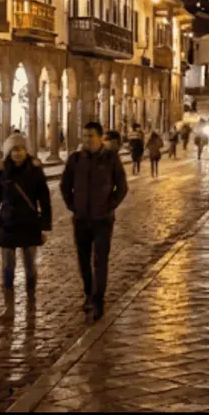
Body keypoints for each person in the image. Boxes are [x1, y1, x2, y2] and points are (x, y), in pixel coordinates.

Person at [61, 121, 129, 321]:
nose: (87, 140)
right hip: (81, 218)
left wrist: (109, 206)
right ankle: (88, 293)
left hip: (102, 220)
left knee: (100, 260)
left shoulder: (111, 159)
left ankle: (98, 300)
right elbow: (65, 185)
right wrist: (73, 206)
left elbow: (122, 187)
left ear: (100, 138)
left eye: (91, 136)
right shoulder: (75, 160)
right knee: (83, 260)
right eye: (84, 136)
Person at [0, 132, 52, 297]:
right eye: (14, 149)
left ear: (26, 150)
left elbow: (44, 199)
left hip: (29, 223)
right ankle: (8, 297)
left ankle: (31, 296)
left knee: (30, 266)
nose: (17, 153)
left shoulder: (35, 171)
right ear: (8, 152)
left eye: (21, 149)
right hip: (8, 223)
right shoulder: (2, 172)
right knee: (7, 266)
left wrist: (45, 224)